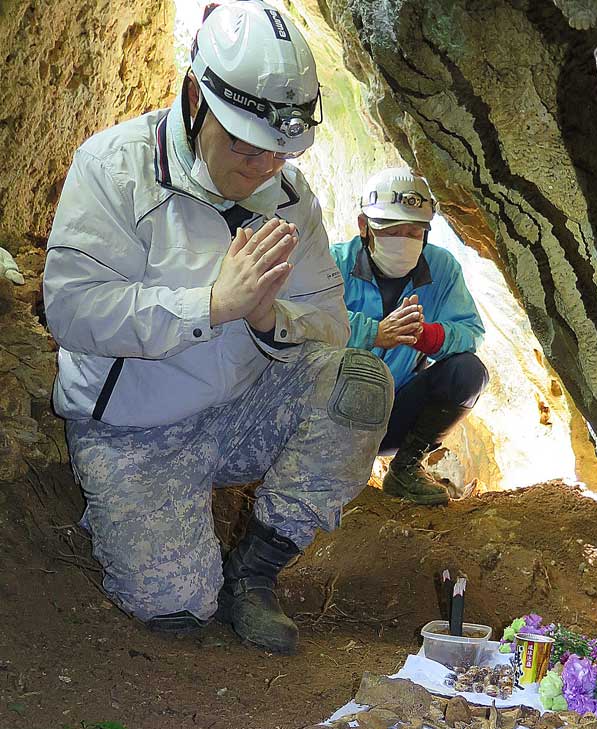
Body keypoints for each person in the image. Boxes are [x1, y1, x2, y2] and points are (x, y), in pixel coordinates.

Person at [43, 1, 393, 654]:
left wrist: (268, 318)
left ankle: (254, 575)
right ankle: (131, 506)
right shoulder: (113, 167)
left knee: (359, 384)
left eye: (280, 151)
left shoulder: (290, 198)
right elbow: (72, 309)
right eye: (243, 144)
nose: (263, 168)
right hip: (137, 427)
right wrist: (209, 305)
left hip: (239, 411)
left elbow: (329, 326)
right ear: (193, 97)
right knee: (177, 611)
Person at [331, 168, 488, 506]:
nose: (403, 240)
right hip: (330, 413)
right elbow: (307, 324)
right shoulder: (334, 264)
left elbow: (471, 333)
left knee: (468, 373)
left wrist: (430, 337)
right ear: (364, 226)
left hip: (392, 419)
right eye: (391, 230)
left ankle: (405, 468)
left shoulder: (441, 268)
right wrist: (375, 332)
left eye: (414, 231)